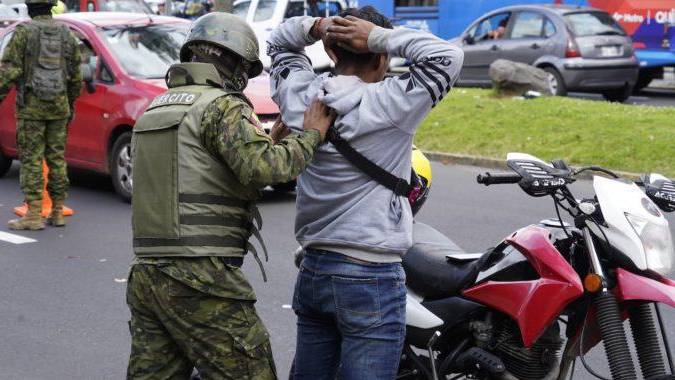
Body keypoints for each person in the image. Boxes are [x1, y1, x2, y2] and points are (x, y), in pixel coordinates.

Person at [126, 12, 334, 380]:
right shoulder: (222, 106)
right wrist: (311, 135)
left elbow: (195, 174)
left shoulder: (156, 108)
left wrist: (267, 141)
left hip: (147, 274)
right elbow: (268, 169)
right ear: (235, 62)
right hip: (200, 275)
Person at [267, 6, 463, 379]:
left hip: (314, 270)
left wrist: (321, 26)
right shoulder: (392, 104)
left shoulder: (297, 98)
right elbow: (449, 55)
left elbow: (278, 43)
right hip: (370, 276)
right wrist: (378, 35)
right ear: (382, 56)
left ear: (330, 52)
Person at [0, 0, 82, 230]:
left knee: (32, 159)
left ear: (30, 8)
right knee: (57, 158)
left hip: (31, 108)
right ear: (50, 7)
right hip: (59, 106)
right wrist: (70, 103)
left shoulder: (23, 33)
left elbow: (9, 70)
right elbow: (76, 73)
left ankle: (34, 214)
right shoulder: (66, 33)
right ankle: (57, 212)